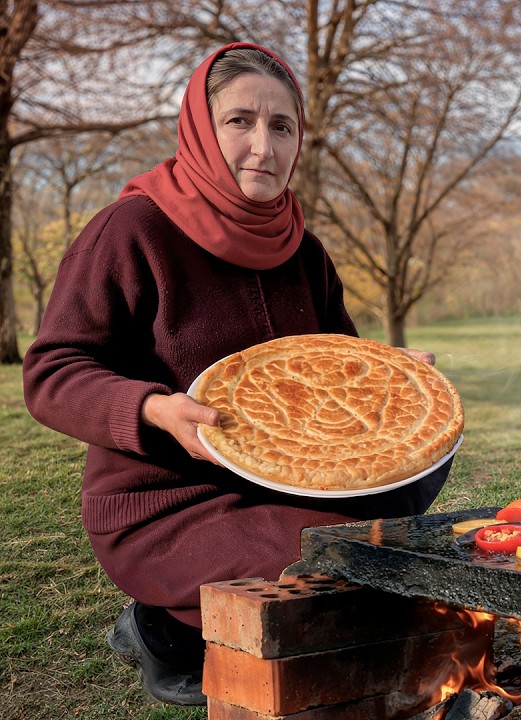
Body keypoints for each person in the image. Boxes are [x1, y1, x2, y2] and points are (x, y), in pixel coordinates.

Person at [23, 43, 452, 706]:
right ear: (199, 127)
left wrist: (393, 384)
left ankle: (231, 610)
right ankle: (162, 624)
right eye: (240, 121)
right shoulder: (132, 230)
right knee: (330, 563)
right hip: (169, 504)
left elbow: (336, 364)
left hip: (293, 482)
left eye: (282, 126)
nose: (264, 145)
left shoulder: (303, 250)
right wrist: (152, 409)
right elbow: (51, 371)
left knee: (403, 500)